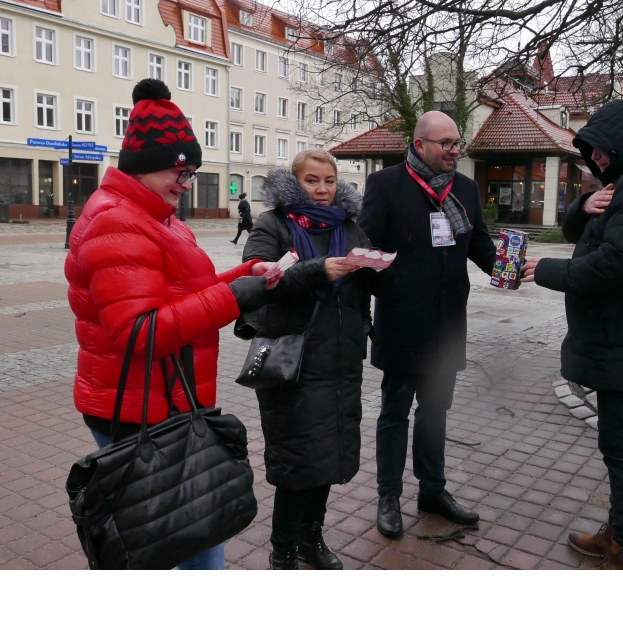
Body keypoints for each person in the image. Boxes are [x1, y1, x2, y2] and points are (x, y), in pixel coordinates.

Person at [65, 79, 278, 570]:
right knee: (177, 540)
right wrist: (231, 298)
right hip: (137, 408)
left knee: (193, 532)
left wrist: (246, 275)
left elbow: (183, 291)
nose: (186, 182)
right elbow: (140, 332)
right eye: (178, 170)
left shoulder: (157, 216)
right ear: (142, 166)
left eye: (192, 171)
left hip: (164, 401)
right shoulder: (116, 221)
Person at [521, 99, 623, 570]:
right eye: (588, 150)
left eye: (599, 150)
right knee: (619, 446)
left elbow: (614, 264)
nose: (593, 159)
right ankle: (619, 534)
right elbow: (581, 232)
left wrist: (547, 270)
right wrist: (583, 202)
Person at [241, 148, 389, 570]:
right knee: (298, 464)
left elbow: (376, 287)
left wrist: (382, 269)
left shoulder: (349, 226)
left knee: (328, 459)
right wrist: (317, 271)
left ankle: (311, 539)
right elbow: (257, 277)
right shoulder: (273, 224)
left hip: (341, 362)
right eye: (312, 180)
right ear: (295, 182)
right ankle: (283, 550)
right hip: (293, 366)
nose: (322, 190)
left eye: (329, 181)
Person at [358, 111, 496, 538]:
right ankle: (389, 496)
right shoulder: (386, 185)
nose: (455, 151)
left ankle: (432, 491)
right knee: (394, 413)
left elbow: (479, 243)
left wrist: (510, 269)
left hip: (447, 325)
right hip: (402, 321)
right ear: (420, 145)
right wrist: (380, 292)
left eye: (458, 143)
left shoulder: (467, 189)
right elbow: (365, 249)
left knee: (435, 412)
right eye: (446, 144)